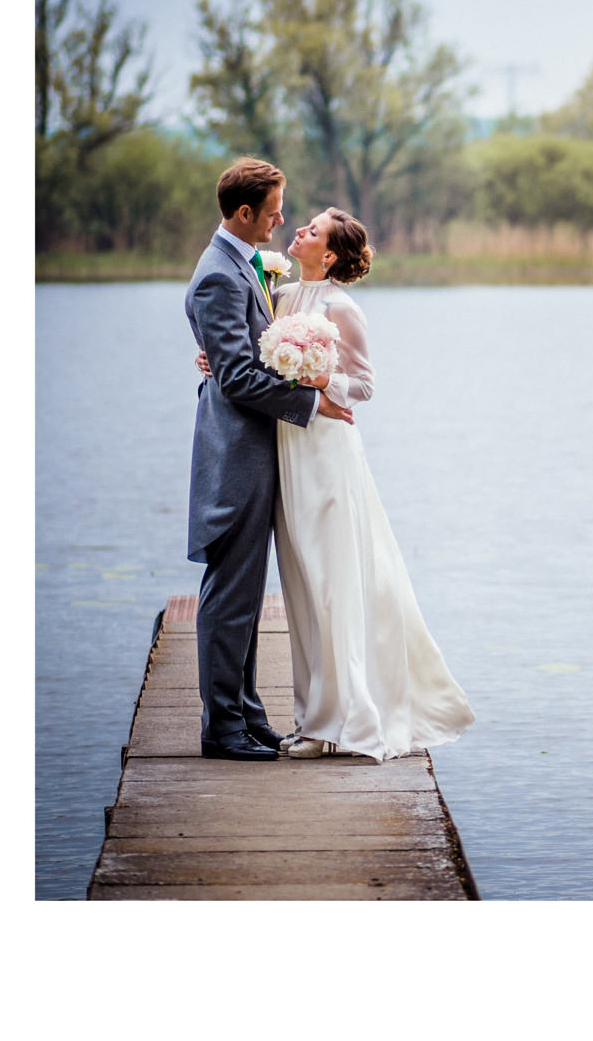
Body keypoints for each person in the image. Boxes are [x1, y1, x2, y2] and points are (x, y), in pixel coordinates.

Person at [268, 206, 475, 759]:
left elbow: (363, 385)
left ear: (330, 255)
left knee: (333, 580)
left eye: (312, 231)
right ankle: (311, 717)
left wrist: (319, 378)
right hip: (287, 449)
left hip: (329, 452)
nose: (301, 231)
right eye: (304, 225)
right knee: (301, 582)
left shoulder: (341, 307)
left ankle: (344, 720)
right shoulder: (281, 296)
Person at [185, 159, 354, 762]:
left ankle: (247, 713)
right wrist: (310, 401)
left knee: (246, 595)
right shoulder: (220, 276)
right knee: (230, 595)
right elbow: (234, 377)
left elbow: (233, 352)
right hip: (236, 454)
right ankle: (221, 727)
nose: (283, 219)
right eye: (276, 209)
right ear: (245, 212)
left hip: (256, 450)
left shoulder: (244, 266)